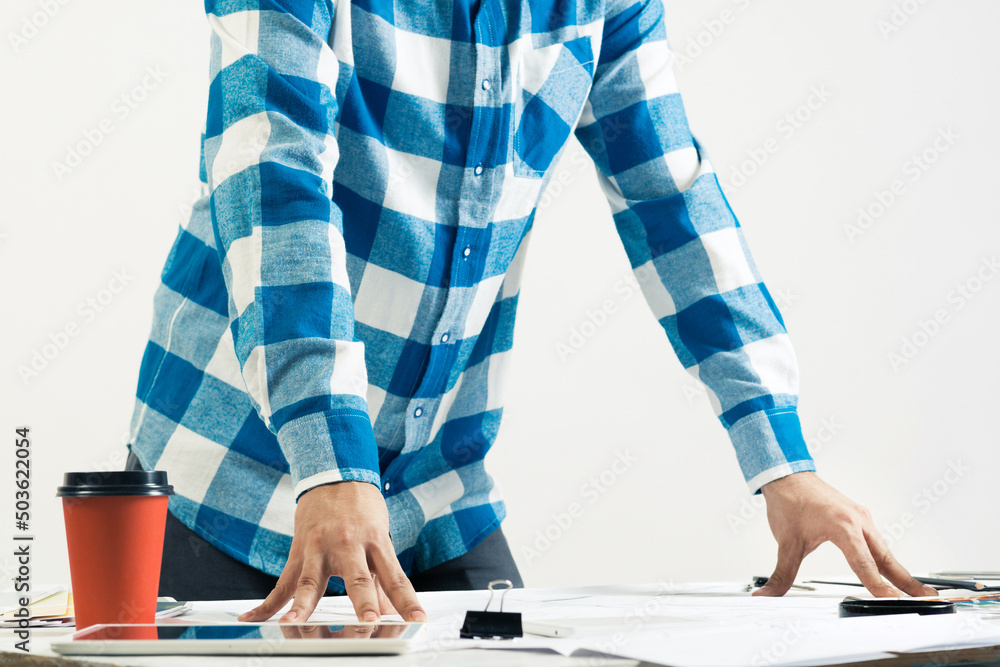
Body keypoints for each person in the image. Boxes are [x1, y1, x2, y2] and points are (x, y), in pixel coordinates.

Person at [126, 0, 936, 624]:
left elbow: (670, 194)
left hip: (432, 487)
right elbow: (272, 178)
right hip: (233, 476)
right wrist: (330, 458)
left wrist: (779, 456)